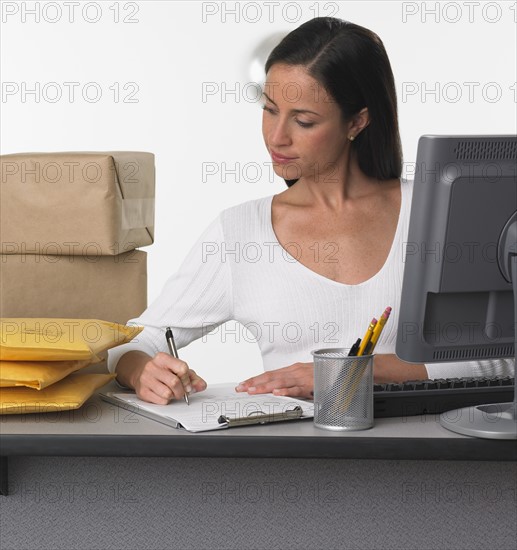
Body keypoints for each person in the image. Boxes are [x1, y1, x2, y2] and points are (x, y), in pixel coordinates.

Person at [107, 17, 514, 405]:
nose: (276, 136)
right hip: (295, 462)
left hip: (437, 458)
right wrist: (142, 370)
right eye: (269, 110)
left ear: (357, 121)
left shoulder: (437, 215)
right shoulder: (240, 233)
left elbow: (502, 360)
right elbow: (136, 342)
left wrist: (354, 372)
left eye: (303, 120)